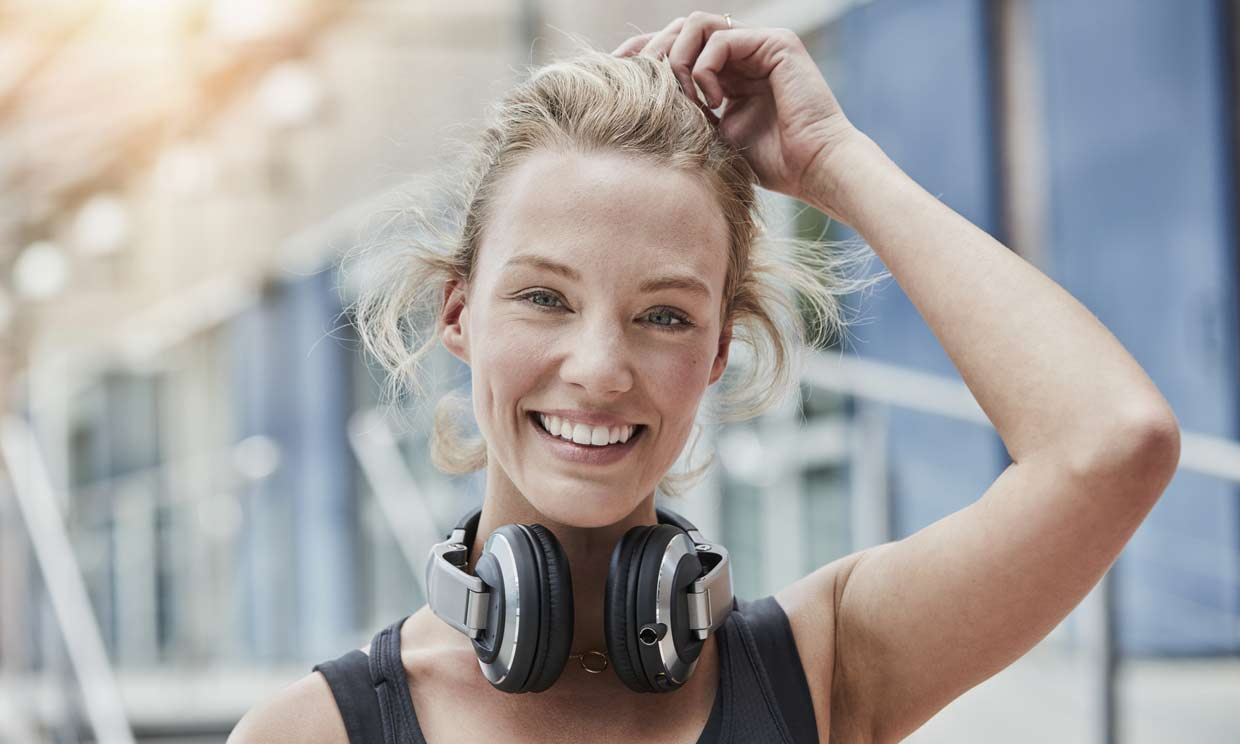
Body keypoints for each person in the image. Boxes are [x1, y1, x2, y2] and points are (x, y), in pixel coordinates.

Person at [229, 11, 1181, 744]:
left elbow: (1112, 444)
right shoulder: (312, 731)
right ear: (457, 315)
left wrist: (836, 163)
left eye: (664, 316)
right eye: (544, 300)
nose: (599, 370)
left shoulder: (825, 668)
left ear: (719, 353)